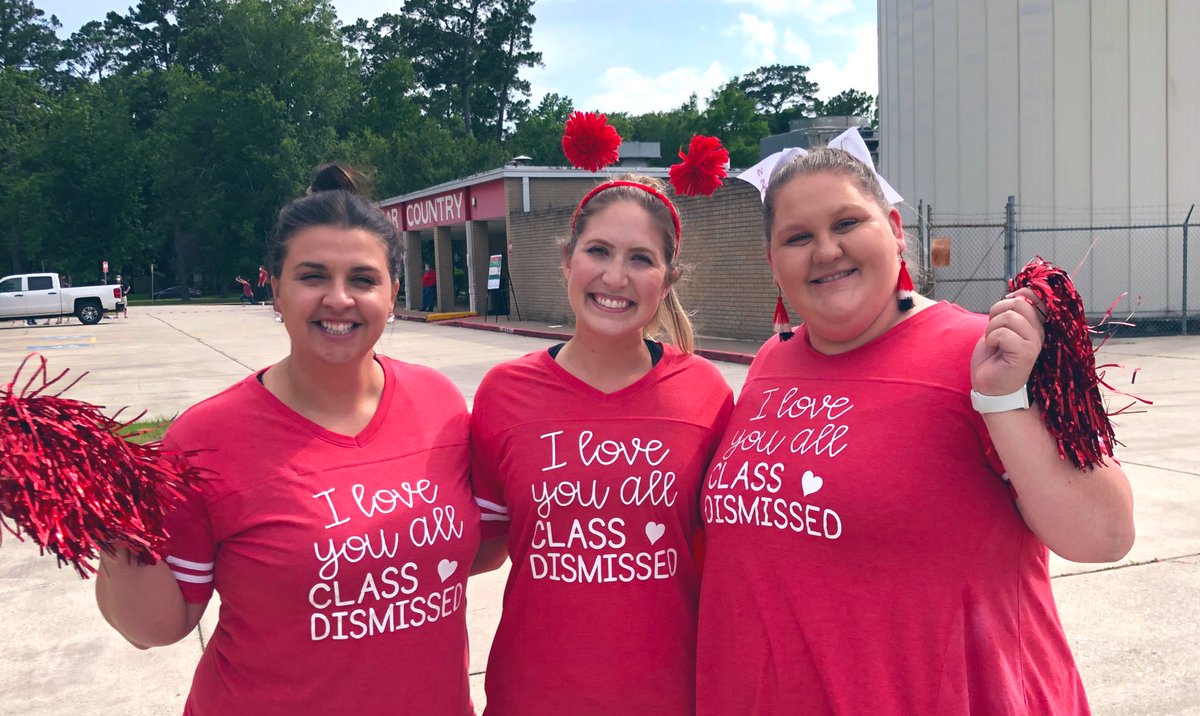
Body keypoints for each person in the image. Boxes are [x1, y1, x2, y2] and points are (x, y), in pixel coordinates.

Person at [695, 144, 1135, 714]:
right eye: (797, 237)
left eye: (847, 222)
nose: (826, 250)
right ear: (771, 260)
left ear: (895, 228)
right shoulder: (770, 363)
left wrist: (1004, 401)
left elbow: (1104, 535)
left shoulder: (986, 355)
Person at [95, 163, 485, 715]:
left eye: (363, 279)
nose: (339, 299)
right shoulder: (205, 438)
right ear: (274, 289)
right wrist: (110, 521)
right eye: (312, 276)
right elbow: (154, 628)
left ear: (393, 294)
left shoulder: (440, 403)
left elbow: (482, 549)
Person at [471, 175, 734, 715]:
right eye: (599, 251)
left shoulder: (705, 393)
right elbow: (481, 545)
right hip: (533, 697)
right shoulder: (503, 395)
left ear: (669, 279)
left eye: (641, 259)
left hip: (671, 696)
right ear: (567, 261)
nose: (616, 276)